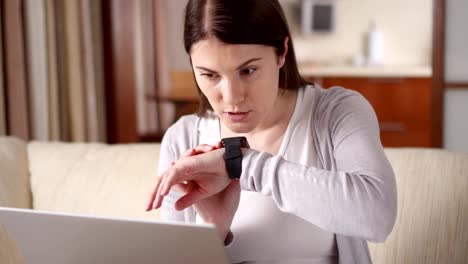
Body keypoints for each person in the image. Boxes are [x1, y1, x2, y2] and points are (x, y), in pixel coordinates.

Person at [146, 0, 397, 263]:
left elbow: (378, 217)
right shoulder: (182, 139)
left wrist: (242, 164)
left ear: (282, 51)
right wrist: (212, 233)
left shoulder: (335, 113)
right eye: (210, 75)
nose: (231, 97)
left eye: (248, 70)